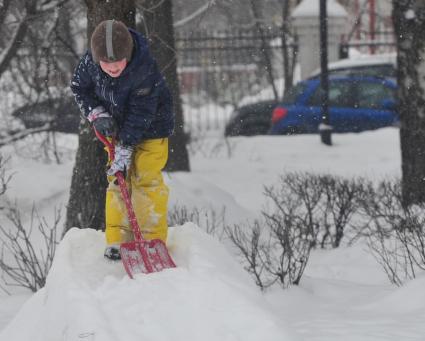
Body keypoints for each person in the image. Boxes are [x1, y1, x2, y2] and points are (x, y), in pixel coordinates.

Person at [70, 19, 174, 260]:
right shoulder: (90, 64)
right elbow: (79, 88)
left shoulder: (143, 68)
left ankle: (152, 240)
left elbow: (142, 113)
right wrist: (97, 114)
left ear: (128, 55)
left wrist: (126, 148)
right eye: (107, 64)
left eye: (118, 63)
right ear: (97, 60)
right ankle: (117, 240)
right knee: (118, 181)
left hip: (152, 129)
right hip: (116, 130)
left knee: (146, 180)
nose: (113, 68)